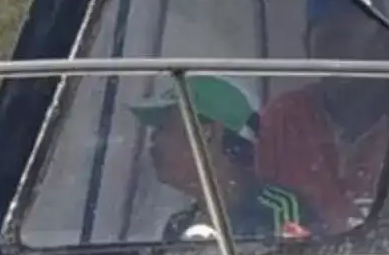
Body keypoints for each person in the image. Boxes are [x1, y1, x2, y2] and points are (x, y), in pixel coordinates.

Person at [253, 0, 389, 231]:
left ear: (385, 43)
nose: (339, 52)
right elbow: (256, 207)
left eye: (349, 36)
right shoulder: (283, 118)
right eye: (328, 38)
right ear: (308, 46)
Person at [131, 76, 313, 245]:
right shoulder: (178, 226)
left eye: (164, 127)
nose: (154, 139)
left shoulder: (281, 211)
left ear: (206, 133)